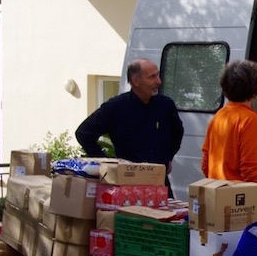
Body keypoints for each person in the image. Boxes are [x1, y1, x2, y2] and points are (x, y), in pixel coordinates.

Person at [75, 58, 183, 196]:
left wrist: (168, 157)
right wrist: (107, 164)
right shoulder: (116, 107)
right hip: (128, 187)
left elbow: (178, 132)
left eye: (157, 75)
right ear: (136, 81)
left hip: (160, 184)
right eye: (152, 77)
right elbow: (84, 133)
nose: (158, 81)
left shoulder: (165, 105)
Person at [201, 60, 257, 189]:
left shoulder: (218, 117)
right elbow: (251, 168)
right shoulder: (251, 120)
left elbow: (206, 164)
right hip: (239, 201)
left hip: (216, 192)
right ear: (255, 92)